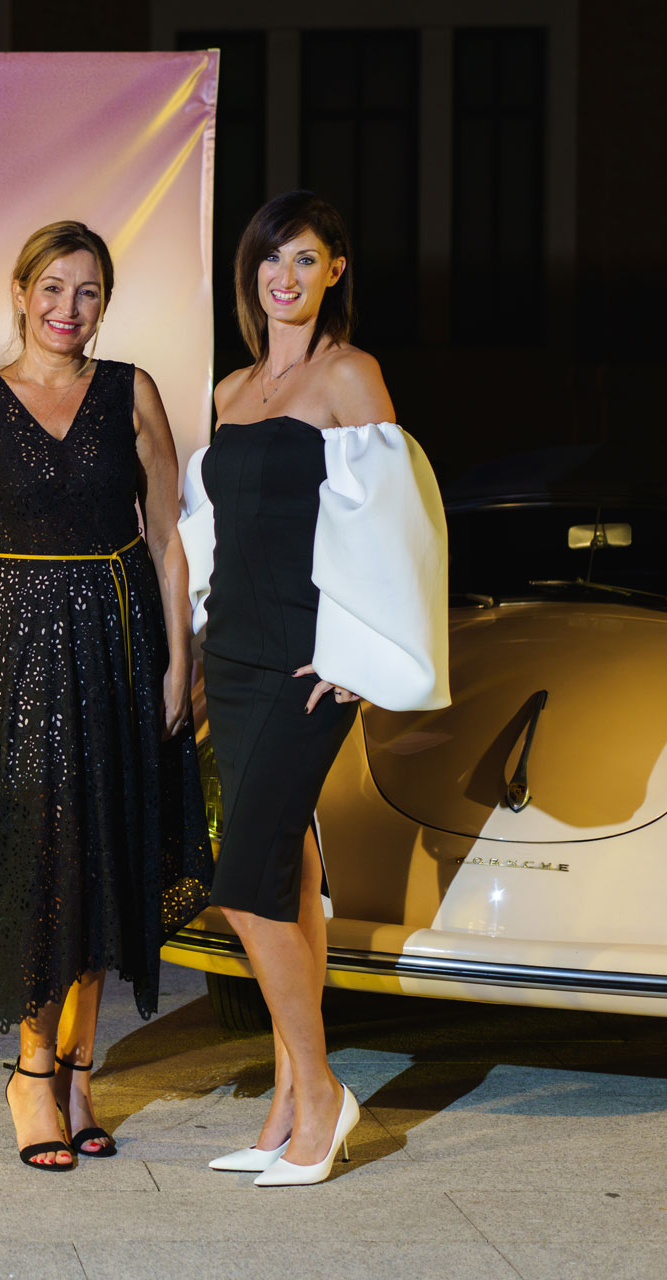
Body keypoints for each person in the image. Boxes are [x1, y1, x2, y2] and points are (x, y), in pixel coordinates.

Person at [0, 221, 212, 1171]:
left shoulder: (132, 392)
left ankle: (80, 1073)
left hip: (121, 638)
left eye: (87, 291)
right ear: (19, 292)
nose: (67, 308)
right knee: (47, 858)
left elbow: (165, 538)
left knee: (109, 853)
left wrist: (178, 663)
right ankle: (31, 1072)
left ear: (104, 304)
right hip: (24, 650)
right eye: (51, 287)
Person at [179, 191, 447, 1187]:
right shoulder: (232, 389)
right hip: (235, 657)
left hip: (308, 665)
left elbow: (398, 522)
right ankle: (290, 1101)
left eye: (305, 258)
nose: (284, 276)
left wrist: (355, 652)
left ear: (335, 271)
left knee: (244, 888)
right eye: (269, 258)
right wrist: (196, 646)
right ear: (250, 274)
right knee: (287, 877)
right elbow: (214, 533)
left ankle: (324, 1093)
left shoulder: (348, 374)